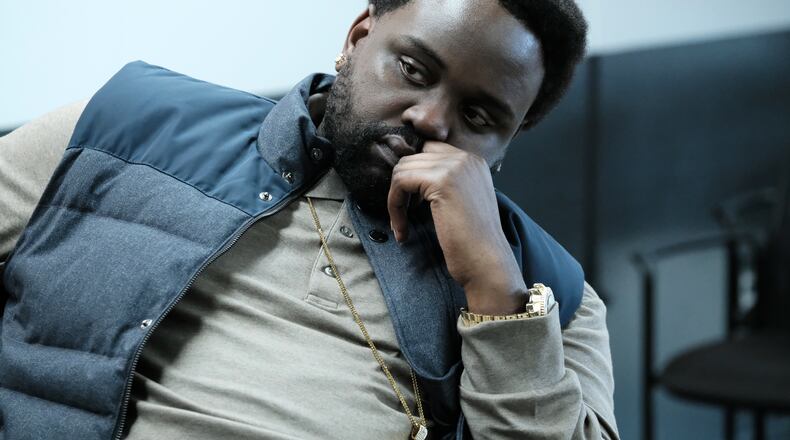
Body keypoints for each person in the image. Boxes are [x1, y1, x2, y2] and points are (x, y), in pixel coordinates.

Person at [0, 0, 618, 438]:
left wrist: (496, 292)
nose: (430, 120)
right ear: (357, 38)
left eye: (479, 117)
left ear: (511, 140)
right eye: (412, 69)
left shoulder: (554, 295)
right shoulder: (123, 129)